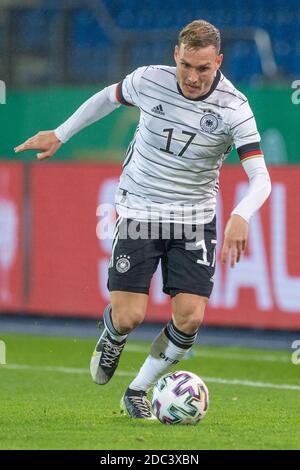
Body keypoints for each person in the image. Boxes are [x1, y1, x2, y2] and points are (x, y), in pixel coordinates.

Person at [15, 19, 271, 420]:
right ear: (176, 55)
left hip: (194, 217)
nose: (192, 76)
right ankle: (114, 332)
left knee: (190, 319)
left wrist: (240, 214)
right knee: (130, 315)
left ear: (218, 62)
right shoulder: (148, 80)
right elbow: (106, 98)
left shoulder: (234, 108)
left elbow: (261, 178)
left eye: (203, 69)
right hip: (140, 208)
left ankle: (137, 390)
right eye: (186, 65)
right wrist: (61, 133)